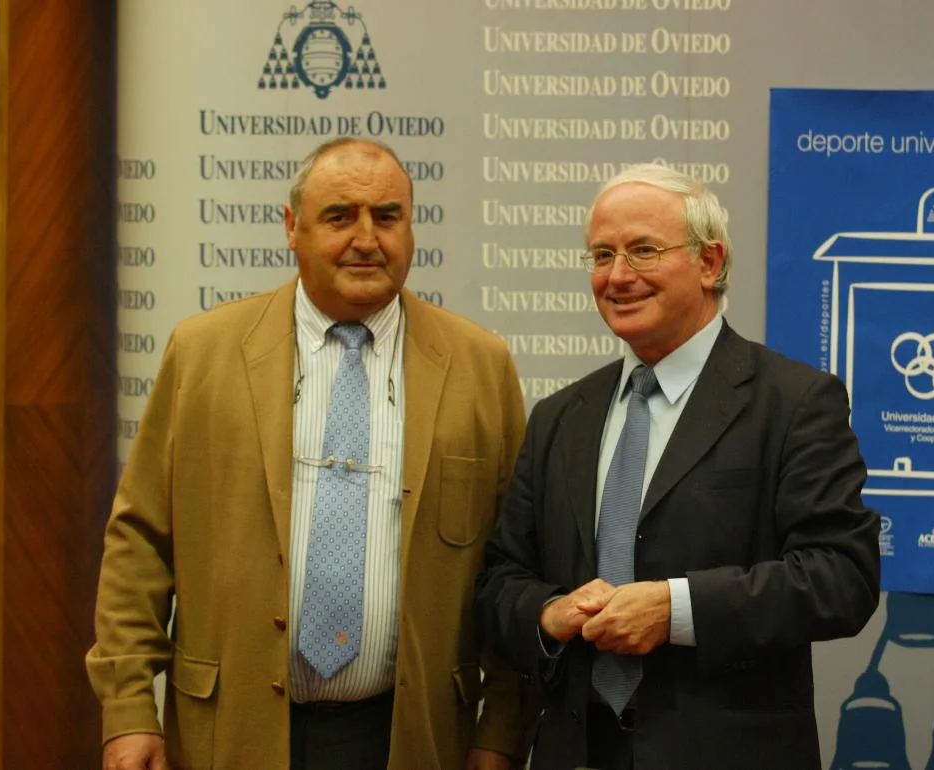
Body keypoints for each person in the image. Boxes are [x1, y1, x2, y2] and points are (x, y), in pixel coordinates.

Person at [87, 138, 536, 770]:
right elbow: (139, 543)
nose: (366, 238)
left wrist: (503, 729)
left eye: (387, 216)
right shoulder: (203, 352)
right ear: (291, 228)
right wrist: (129, 709)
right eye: (338, 216)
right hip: (231, 727)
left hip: (411, 735)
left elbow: (515, 561)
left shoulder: (479, 365)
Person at [474, 163, 881, 769]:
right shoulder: (562, 416)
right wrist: (548, 613)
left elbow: (840, 578)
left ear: (710, 263)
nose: (617, 276)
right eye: (602, 255)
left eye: (642, 251)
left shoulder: (794, 403)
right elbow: (501, 579)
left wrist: (677, 610)